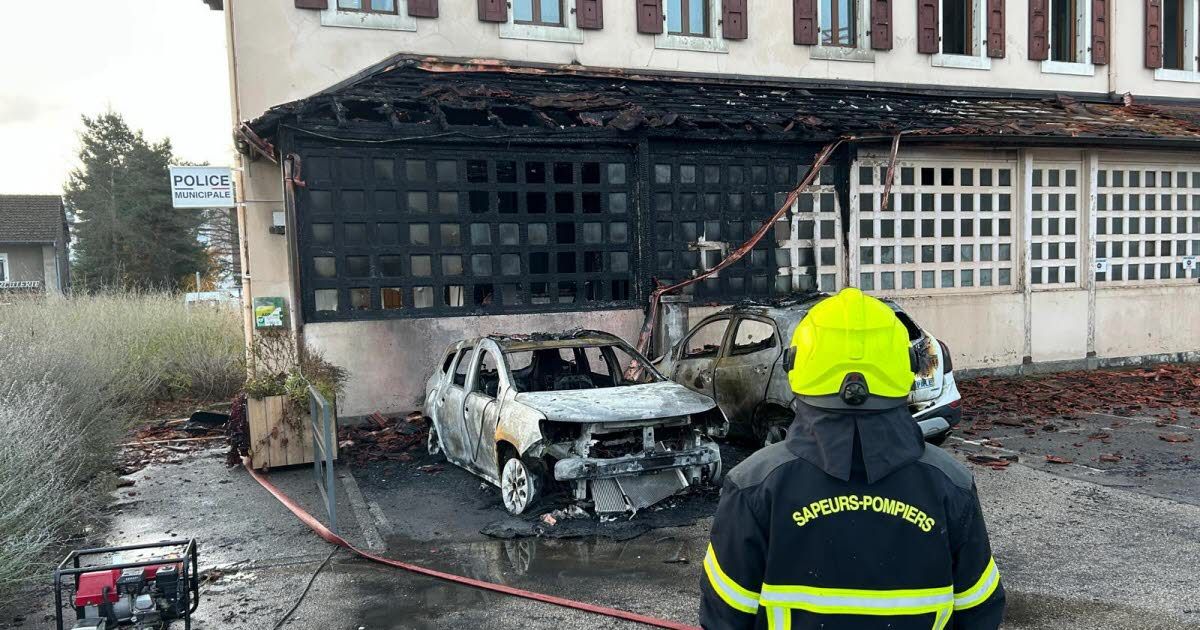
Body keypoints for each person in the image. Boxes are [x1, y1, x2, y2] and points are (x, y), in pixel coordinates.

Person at [700, 288, 1004, 630]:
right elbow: (979, 613)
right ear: (906, 367)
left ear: (797, 365)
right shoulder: (951, 484)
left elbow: (723, 619)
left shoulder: (753, 486)